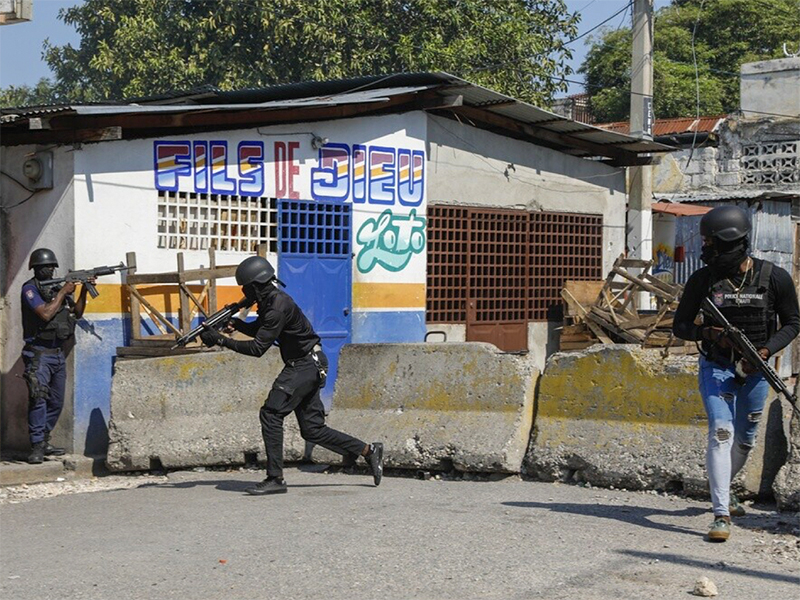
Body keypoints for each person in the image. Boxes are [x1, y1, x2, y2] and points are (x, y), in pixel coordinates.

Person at [199, 255, 383, 495]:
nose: (244, 292)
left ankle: (275, 478)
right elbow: (261, 329)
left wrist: (221, 340)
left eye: (246, 287)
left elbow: (257, 348)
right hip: (311, 363)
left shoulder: (276, 305)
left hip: (305, 365)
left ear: (255, 286)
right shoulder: (271, 302)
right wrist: (237, 324)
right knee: (313, 430)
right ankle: (370, 451)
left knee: (271, 413)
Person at [673, 205, 800, 542]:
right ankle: (721, 514)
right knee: (721, 433)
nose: (706, 250)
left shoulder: (774, 277)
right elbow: (681, 325)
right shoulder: (702, 280)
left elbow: (793, 323)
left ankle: (725, 491)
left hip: (756, 371)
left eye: (711, 244)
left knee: (744, 439)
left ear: (732, 242)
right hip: (717, 367)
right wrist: (710, 334)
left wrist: (765, 350)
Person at [21, 248, 94, 464]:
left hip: (57, 354)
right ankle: (35, 446)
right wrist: (63, 292)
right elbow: (45, 313)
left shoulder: (56, 287)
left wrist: (83, 290)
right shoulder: (30, 289)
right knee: (38, 400)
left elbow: (78, 313)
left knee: (56, 401)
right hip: (38, 354)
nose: (51, 270)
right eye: (46, 267)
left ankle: (44, 440)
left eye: (53, 266)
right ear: (36, 268)